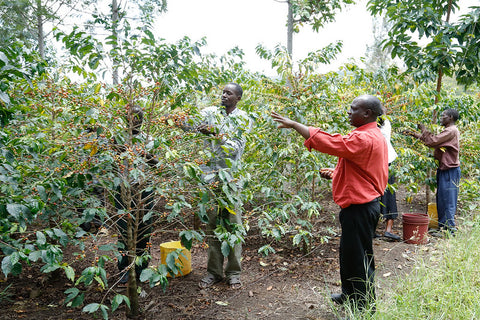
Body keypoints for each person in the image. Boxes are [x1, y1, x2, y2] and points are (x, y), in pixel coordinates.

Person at [271, 94, 388, 312]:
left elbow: (334, 143)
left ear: (367, 114)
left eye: (353, 109)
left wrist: (296, 125)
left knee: (360, 257)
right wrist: (336, 174)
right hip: (358, 206)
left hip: (361, 208)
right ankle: (349, 294)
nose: (349, 112)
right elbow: (363, 169)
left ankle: (364, 307)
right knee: (349, 253)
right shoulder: (369, 134)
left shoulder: (365, 138)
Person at [169, 83, 251, 290]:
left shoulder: (243, 119)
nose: (223, 96)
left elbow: (234, 148)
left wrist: (214, 133)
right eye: (222, 92)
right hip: (210, 180)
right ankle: (213, 272)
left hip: (231, 181)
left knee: (233, 226)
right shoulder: (210, 113)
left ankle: (233, 273)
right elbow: (191, 125)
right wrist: (179, 119)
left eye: (228, 93)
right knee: (212, 227)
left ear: (238, 98)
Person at [114, 105, 158, 286]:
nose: (134, 121)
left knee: (144, 230)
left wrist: (143, 154)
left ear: (142, 120)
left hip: (144, 189)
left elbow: (157, 164)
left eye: (137, 118)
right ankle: (125, 269)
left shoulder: (150, 139)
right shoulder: (117, 138)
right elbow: (111, 160)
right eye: (130, 117)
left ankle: (142, 268)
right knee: (124, 231)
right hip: (123, 189)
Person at [403, 109, 460, 234]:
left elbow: (432, 141)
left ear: (450, 117)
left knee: (448, 200)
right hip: (445, 169)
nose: (441, 117)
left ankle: (449, 229)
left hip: (451, 170)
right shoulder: (448, 131)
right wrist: (414, 134)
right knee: (442, 199)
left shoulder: (451, 131)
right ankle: (443, 228)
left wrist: (423, 129)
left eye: (443, 115)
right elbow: (434, 142)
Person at [378, 108, 401, 241]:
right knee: (387, 194)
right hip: (385, 162)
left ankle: (387, 229)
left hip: (381, 162)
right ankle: (388, 229)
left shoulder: (381, 124)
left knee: (382, 194)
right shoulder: (385, 123)